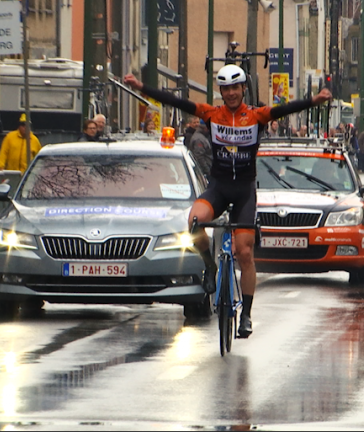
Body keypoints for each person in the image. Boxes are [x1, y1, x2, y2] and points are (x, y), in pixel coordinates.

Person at [123, 66, 332, 338]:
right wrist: (141, 87)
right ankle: (209, 265)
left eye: (236, 88)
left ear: (243, 89)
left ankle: (245, 314)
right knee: (194, 221)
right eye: (226, 89)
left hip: (244, 190)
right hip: (218, 188)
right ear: (221, 91)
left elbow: (284, 109)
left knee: (245, 253)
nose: (231, 93)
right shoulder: (212, 114)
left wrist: (312, 101)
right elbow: (175, 101)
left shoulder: (256, 116)